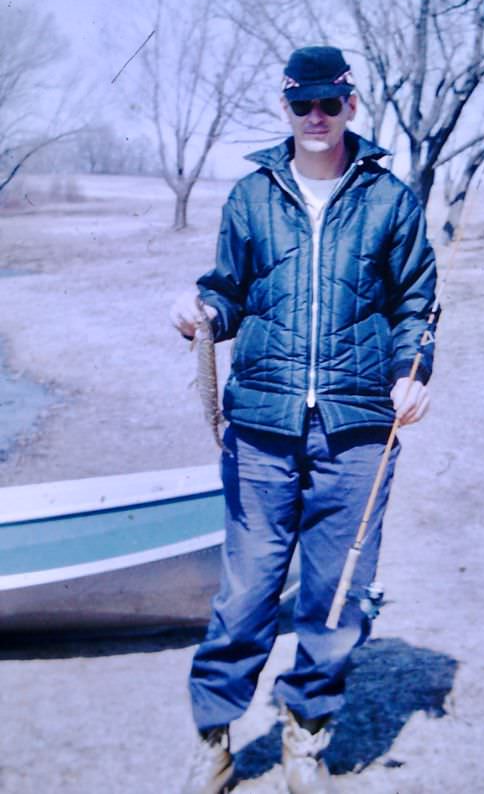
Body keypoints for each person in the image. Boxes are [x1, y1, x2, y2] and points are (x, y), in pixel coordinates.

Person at [170, 45, 437, 794]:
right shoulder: (252, 196)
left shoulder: (391, 200)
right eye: (301, 104)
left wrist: (413, 376)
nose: (315, 117)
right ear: (284, 109)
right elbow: (227, 290)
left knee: (338, 593)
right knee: (247, 592)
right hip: (260, 427)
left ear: (351, 105)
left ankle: (305, 740)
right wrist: (200, 313)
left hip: (357, 432)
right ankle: (215, 741)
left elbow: (416, 303)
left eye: (329, 102)